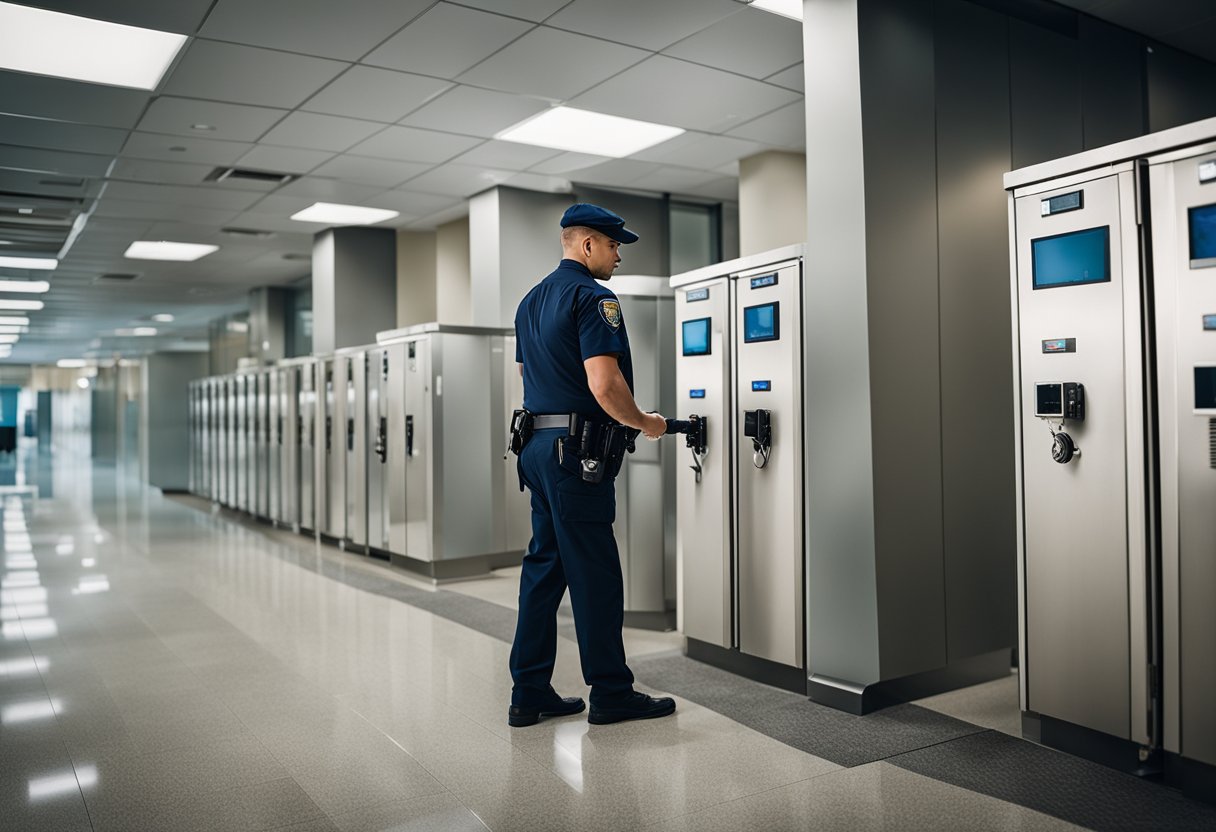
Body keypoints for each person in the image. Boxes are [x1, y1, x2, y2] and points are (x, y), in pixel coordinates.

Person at [507, 203, 677, 728]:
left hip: (536, 445)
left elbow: (527, 374)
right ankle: (611, 692)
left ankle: (529, 690)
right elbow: (603, 384)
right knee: (595, 571)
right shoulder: (593, 297)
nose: (618, 255)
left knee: (545, 566)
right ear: (586, 245)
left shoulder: (529, 301)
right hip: (575, 453)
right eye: (612, 244)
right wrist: (646, 421)